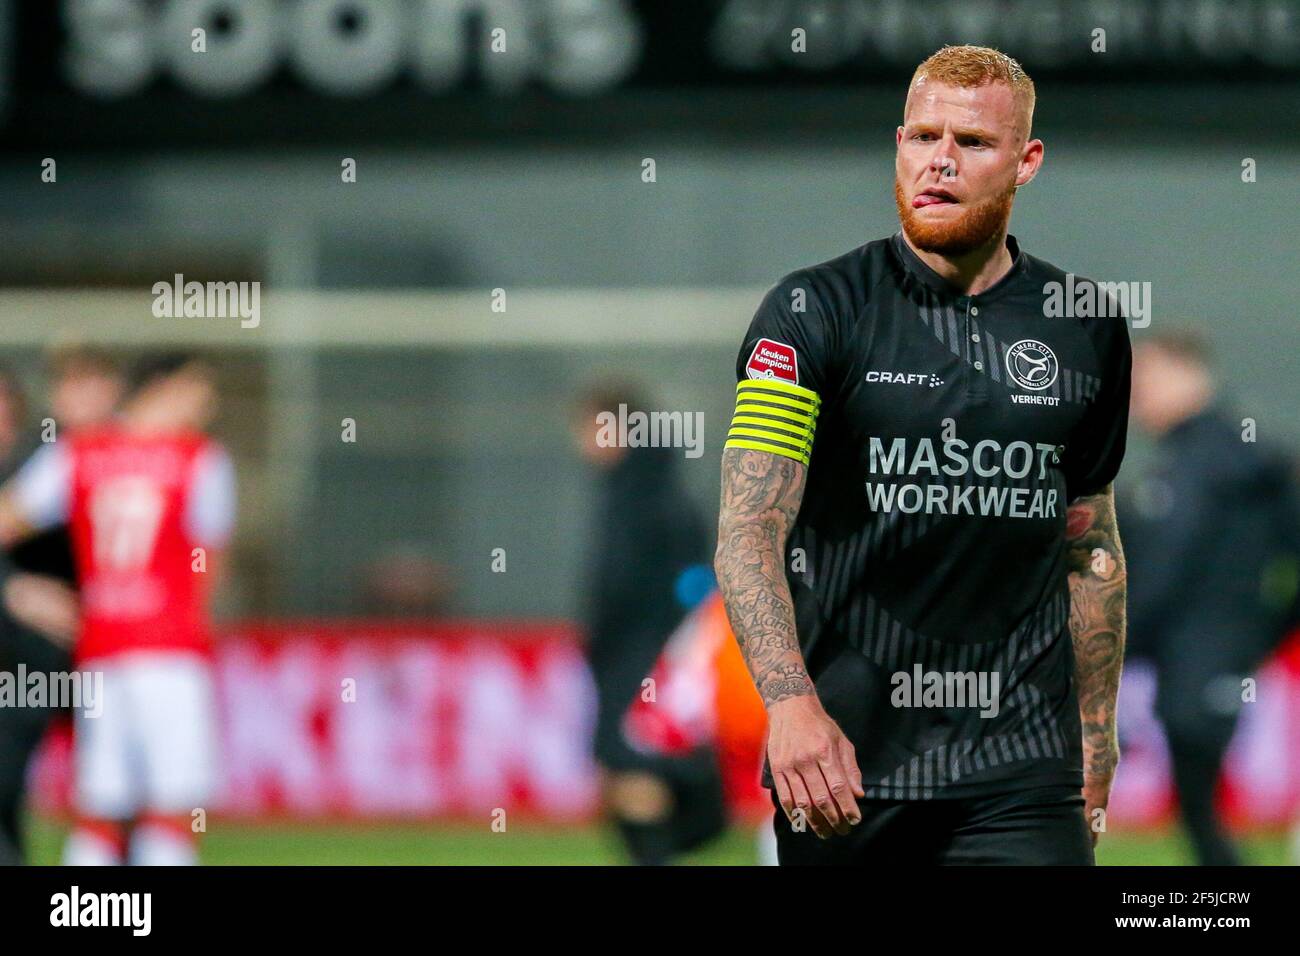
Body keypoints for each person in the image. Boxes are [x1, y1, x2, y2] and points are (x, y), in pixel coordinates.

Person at [713, 45, 1132, 865]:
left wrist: (1096, 733)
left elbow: (1090, 543)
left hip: (1023, 773)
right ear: (897, 144)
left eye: (972, 143)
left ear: (1026, 162)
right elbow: (749, 529)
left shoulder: (1085, 324)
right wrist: (791, 704)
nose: (939, 161)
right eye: (922, 138)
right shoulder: (813, 312)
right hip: (845, 767)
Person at [0, 353, 235, 865]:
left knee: (101, 814)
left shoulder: (79, 455)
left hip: (101, 652)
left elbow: (8, 517)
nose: (206, 406)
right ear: (164, 387)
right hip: (171, 653)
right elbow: (208, 573)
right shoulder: (200, 460)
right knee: (170, 810)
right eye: (199, 391)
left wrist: (14, 583)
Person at [1121, 329, 1300, 866]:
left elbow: (1167, 569)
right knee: (1197, 809)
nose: (1137, 401)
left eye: (1145, 383)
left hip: (1202, 659)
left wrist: (1121, 641)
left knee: (1200, 807)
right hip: (1210, 657)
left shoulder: (1206, 464)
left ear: (1184, 374)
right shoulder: (1237, 457)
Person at [573, 382, 725, 864]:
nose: (582, 443)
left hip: (639, 656)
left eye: (588, 428)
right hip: (645, 653)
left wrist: (626, 641)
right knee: (632, 764)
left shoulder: (639, 497)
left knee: (631, 762)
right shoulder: (656, 489)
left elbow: (634, 584)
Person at [0, 346, 123, 865]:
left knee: (122, 790)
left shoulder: (128, 457)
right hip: (30, 651)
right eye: (72, 386)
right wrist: (12, 588)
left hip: (113, 647)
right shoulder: (44, 460)